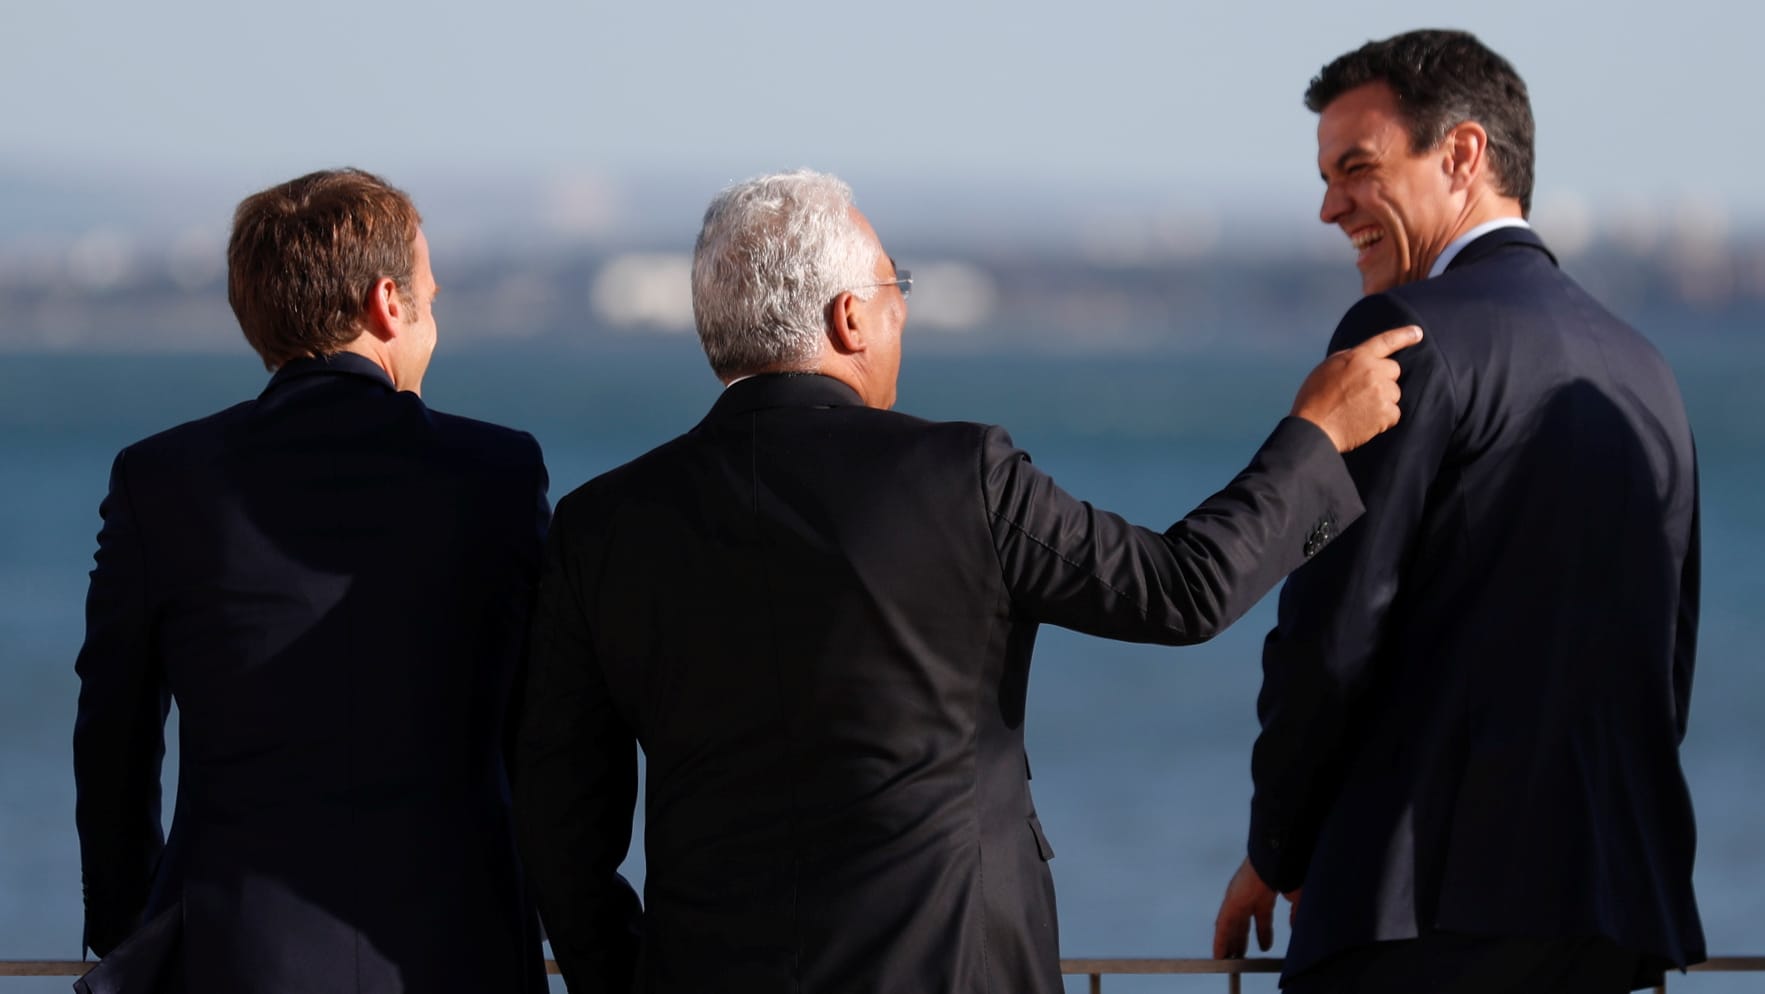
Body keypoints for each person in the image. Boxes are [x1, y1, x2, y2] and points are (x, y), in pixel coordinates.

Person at [512, 168, 1420, 994]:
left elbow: (560, 833)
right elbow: (1179, 590)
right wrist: (1313, 438)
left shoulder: (601, 525)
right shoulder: (960, 477)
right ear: (848, 319)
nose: (899, 312)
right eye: (892, 289)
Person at [1211, 29, 1704, 993]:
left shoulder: (1398, 335)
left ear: (1464, 155)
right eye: (1325, 175)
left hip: (1422, 913)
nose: (1329, 206)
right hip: (1608, 911)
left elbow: (1333, 631)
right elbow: (1665, 661)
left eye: (1356, 167)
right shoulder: (1645, 367)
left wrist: (1277, 848)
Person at [72, 168, 550, 994]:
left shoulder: (159, 480)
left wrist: (132, 936)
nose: (433, 326)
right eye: (431, 302)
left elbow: (113, 735)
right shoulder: (499, 474)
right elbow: (545, 730)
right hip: (457, 953)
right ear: (387, 303)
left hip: (235, 958)